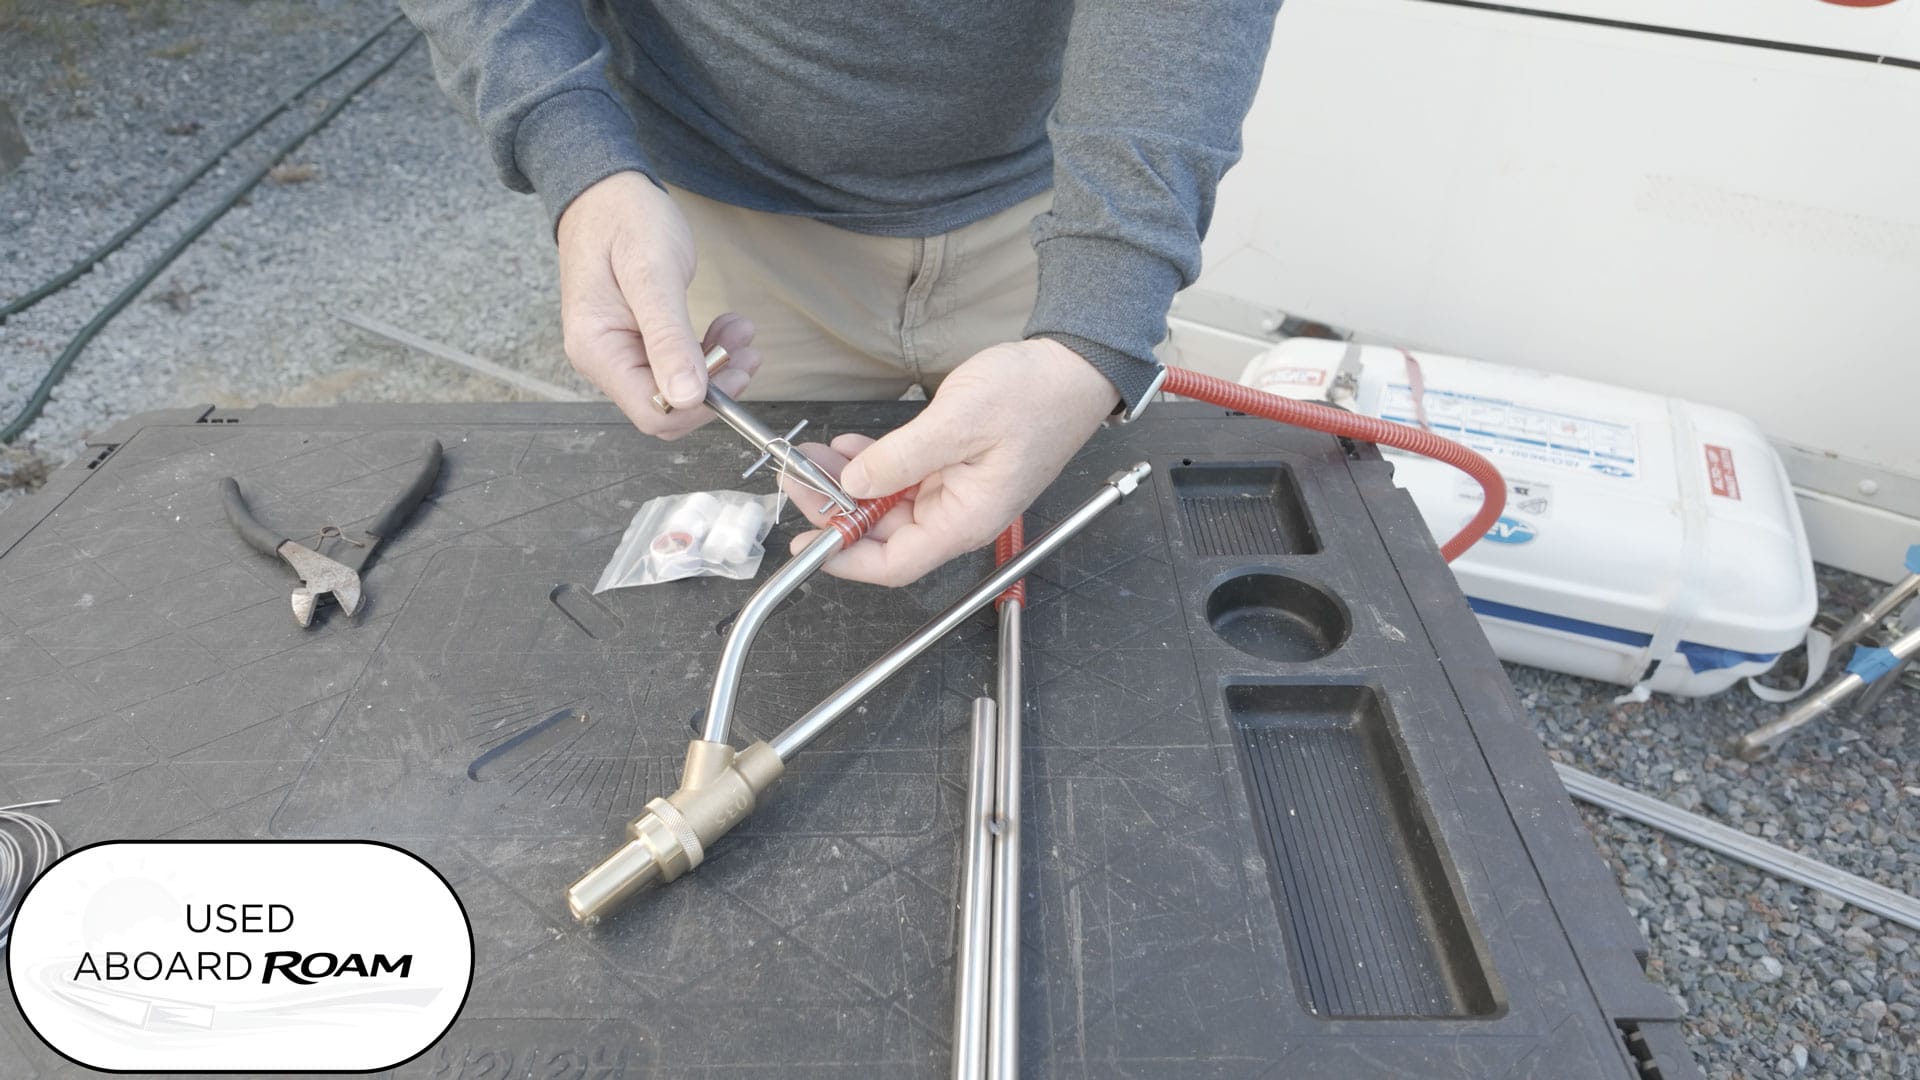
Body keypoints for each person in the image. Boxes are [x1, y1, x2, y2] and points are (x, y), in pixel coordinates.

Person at [401, 1, 1279, 584]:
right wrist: (579, 162)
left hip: (1057, 222)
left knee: (1081, 584)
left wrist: (1098, 318)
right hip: (711, 223)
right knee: (735, 576)